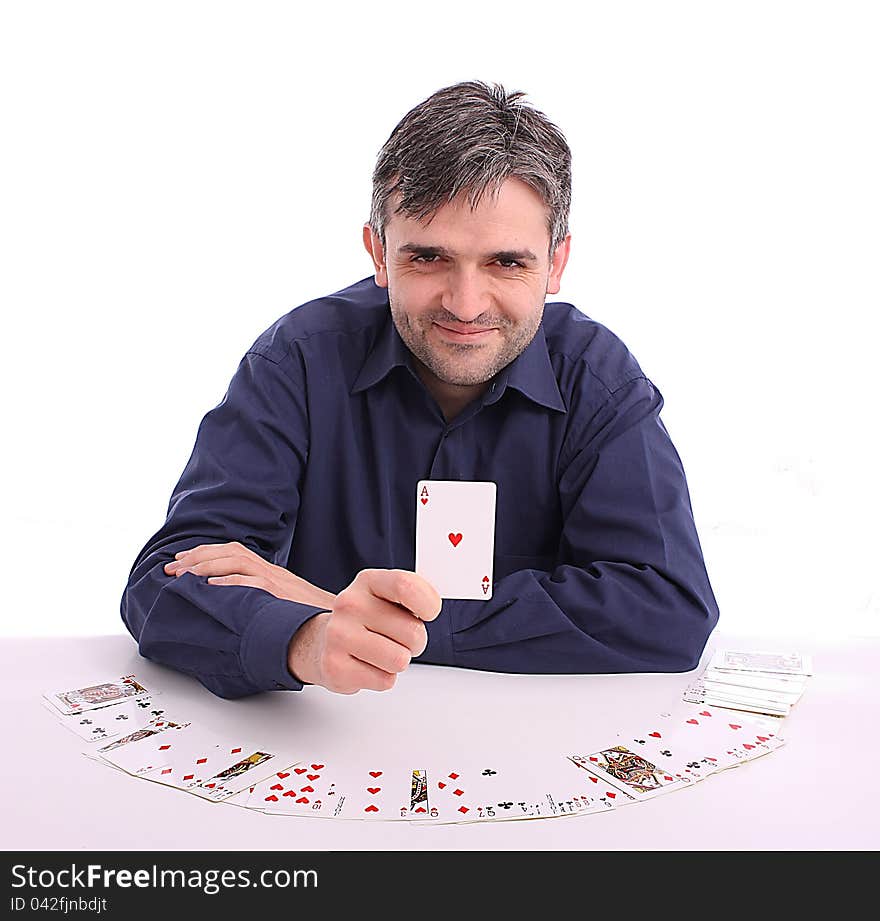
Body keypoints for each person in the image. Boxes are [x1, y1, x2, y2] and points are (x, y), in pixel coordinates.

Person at [121, 80, 719, 699]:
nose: (465, 305)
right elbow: (165, 583)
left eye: (506, 263)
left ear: (556, 263)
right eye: (428, 258)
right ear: (379, 253)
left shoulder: (598, 379)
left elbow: (668, 610)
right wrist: (308, 641)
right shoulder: (299, 360)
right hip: (329, 744)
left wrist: (355, 616)